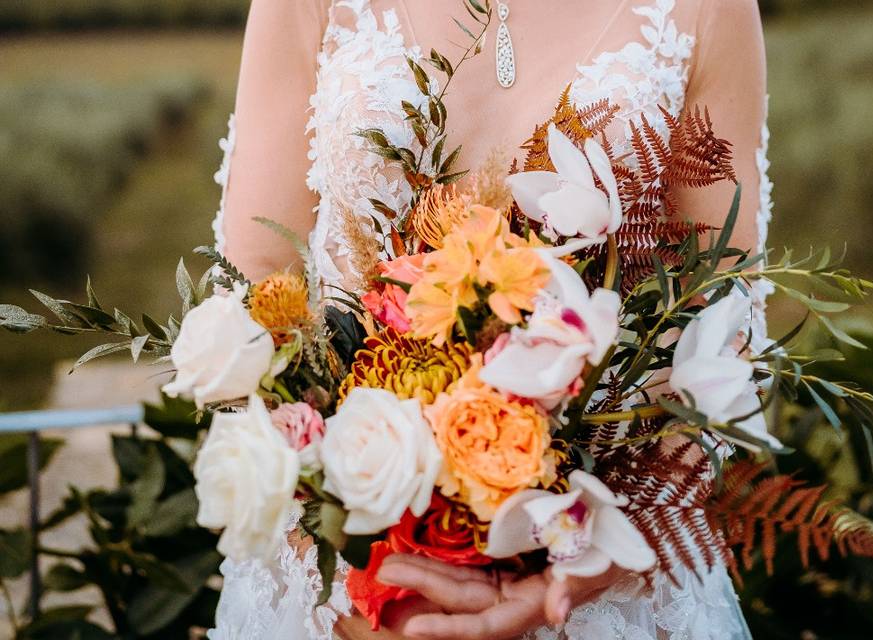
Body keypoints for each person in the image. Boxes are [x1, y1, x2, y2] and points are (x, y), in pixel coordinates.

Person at [210, 1, 771, 638]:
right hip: (344, 580)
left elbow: (721, 309)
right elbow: (256, 278)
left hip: (600, 586)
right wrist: (348, 568)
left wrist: (601, 553)